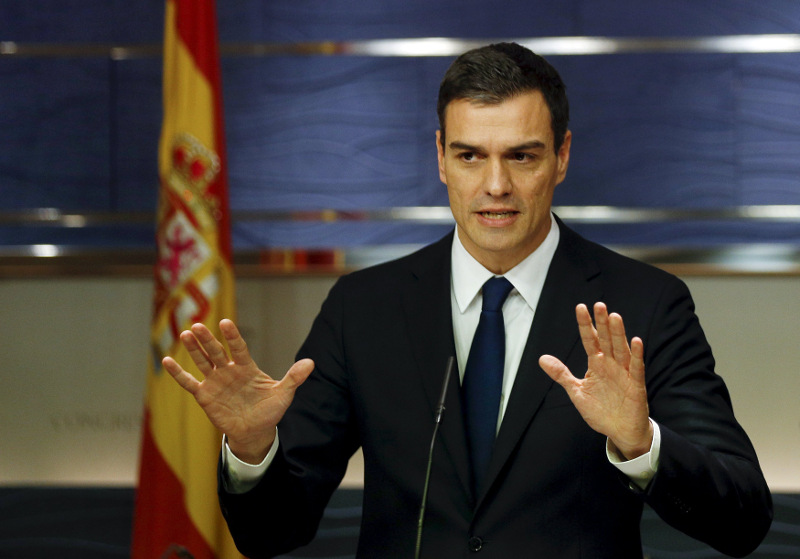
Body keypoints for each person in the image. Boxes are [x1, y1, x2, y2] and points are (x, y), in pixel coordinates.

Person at [164, 43, 773, 558]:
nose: (496, 185)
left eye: (522, 156)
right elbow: (273, 532)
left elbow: (743, 520)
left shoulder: (645, 303)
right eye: (470, 155)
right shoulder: (364, 307)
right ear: (440, 159)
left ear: (561, 156)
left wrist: (641, 446)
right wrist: (250, 452)